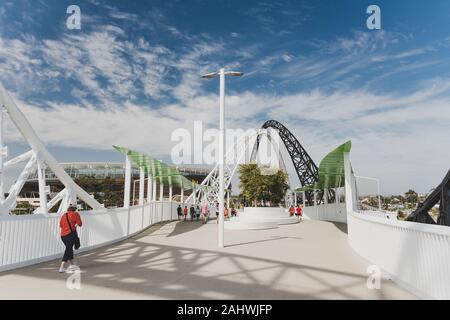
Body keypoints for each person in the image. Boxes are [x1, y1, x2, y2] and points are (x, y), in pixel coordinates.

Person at [59, 204, 82, 273]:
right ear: (74, 209)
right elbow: (80, 224)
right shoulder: (75, 214)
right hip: (70, 235)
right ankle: (62, 267)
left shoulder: (64, 215)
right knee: (68, 250)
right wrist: (75, 224)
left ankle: (72, 265)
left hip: (63, 236)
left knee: (69, 249)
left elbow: (60, 225)